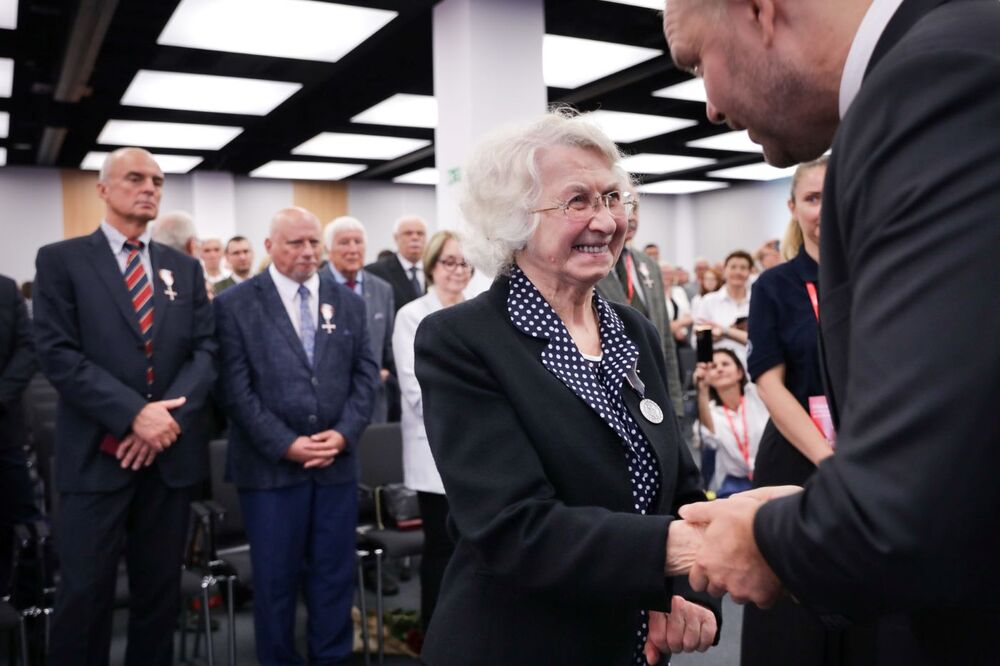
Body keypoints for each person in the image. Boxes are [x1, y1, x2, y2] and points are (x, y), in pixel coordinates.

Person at [665, 0, 1000, 662]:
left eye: (698, 60)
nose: (708, 105)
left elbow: (914, 506)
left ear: (758, 11)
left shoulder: (930, 84)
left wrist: (768, 539)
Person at [413, 110, 718, 666]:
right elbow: (512, 528)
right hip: (519, 644)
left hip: (630, 645)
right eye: (577, 201)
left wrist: (682, 590)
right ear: (512, 219)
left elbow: (680, 487)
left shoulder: (633, 330)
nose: (604, 220)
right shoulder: (460, 340)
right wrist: (685, 549)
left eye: (613, 198)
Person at [33, 148, 217, 666]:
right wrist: (135, 414)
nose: (150, 189)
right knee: (85, 596)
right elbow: (57, 353)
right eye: (136, 178)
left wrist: (163, 421)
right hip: (96, 457)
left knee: (158, 596)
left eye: (157, 181)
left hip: (168, 458)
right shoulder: (61, 260)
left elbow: (206, 351)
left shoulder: (182, 266)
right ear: (103, 189)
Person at [213, 206, 378, 665]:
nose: (308, 252)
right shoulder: (235, 304)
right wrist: (285, 443)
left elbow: (366, 377)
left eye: (313, 243)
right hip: (269, 471)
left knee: (333, 577)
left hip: (336, 467)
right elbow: (234, 389)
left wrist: (343, 435)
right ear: (269, 246)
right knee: (275, 581)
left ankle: (332, 658)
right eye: (295, 243)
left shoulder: (349, 303)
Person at [392, 230, 472, 633]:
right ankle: (435, 639)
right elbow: (416, 389)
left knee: (475, 553)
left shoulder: (478, 311)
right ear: (431, 266)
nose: (457, 271)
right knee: (441, 552)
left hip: (479, 453)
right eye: (448, 262)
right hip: (435, 455)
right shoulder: (412, 315)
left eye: (463, 263)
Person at [597, 186, 684, 417]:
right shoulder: (589, 266)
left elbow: (665, 340)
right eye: (623, 206)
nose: (632, 216)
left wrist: (674, 403)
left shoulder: (649, 265)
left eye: (635, 207)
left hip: (656, 389)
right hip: (613, 398)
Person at [324, 216, 395, 424]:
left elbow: (388, 345)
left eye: (358, 242)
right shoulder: (316, 287)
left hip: (373, 400)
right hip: (329, 403)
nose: (353, 249)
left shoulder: (382, 289)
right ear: (328, 249)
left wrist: (387, 373)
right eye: (344, 242)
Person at [0, 274, 39, 595]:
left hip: (4, 432)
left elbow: (28, 348)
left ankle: (33, 635)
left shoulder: (5, 288)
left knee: (24, 527)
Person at [692, 349, 766, 498]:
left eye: (725, 364)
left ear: (740, 372)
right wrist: (703, 390)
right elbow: (709, 437)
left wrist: (726, 332)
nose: (719, 369)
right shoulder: (710, 411)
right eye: (713, 367)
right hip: (735, 487)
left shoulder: (758, 397)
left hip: (770, 476)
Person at [692, 250, 752, 364]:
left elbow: (760, 341)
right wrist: (737, 333)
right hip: (718, 369)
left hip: (751, 369)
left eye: (743, 268)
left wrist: (724, 331)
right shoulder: (708, 301)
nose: (738, 272)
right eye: (733, 267)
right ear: (724, 271)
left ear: (749, 272)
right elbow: (698, 342)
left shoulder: (757, 301)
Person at [365, 215, 428, 314]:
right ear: (396, 237)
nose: (415, 237)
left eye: (420, 233)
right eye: (408, 233)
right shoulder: (375, 272)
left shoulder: (436, 270)